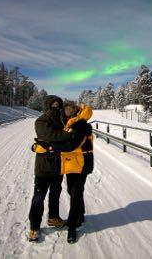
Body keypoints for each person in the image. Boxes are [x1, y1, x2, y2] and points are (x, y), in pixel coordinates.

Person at [27, 95, 89, 242]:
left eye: (57, 105)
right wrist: (67, 135)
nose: (55, 107)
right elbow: (49, 135)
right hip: (43, 167)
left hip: (59, 166)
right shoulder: (41, 120)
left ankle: (53, 217)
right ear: (47, 106)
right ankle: (34, 227)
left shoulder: (62, 121)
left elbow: (76, 122)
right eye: (52, 105)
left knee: (55, 195)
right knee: (38, 197)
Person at [61, 100, 94, 244]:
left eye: (71, 108)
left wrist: (57, 145)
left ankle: (72, 227)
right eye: (66, 108)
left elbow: (72, 144)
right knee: (72, 190)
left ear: (75, 110)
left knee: (75, 193)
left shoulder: (79, 124)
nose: (68, 110)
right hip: (71, 164)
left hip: (82, 163)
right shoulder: (67, 122)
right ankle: (80, 214)